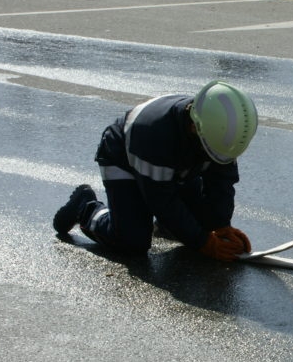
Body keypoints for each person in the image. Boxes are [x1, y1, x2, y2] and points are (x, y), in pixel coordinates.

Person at [52, 81, 259, 262]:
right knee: (132, 242)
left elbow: (222, 180)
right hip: (123, 159)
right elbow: (161, 200)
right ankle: (85, 207)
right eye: (210, 151)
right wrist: (203, 243)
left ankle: (168, 227)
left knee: (201, 225)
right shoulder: (155, 135)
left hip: (173, 168)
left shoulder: (218, 130)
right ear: (195, 128)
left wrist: (220, 224)